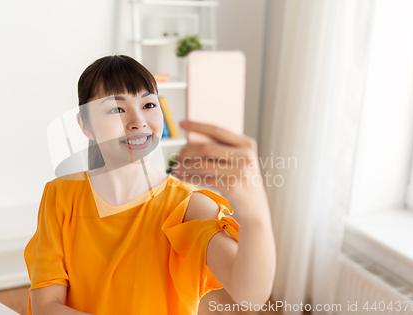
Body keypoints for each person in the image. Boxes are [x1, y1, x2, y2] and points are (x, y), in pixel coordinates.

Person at [24, 54, 276, 315]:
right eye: (117, 109)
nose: (138, 121)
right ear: (85, 125)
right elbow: (46, 306)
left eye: (148, 104)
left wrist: (255, 215)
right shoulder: (60, 195)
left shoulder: (188, 207)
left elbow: (251, 297)